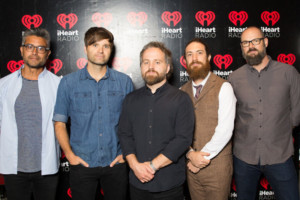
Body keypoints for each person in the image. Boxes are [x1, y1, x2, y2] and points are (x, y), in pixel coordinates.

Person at [53, 27, 133, 200]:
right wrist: (70, 155)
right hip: (82, 165)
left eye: (106, 46)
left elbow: (133, 123)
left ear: (111, 50)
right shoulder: (68, 83)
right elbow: (59, 123)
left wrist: (126, 154)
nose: (101, 50)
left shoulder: (124, 82)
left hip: (116, 164)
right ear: (85, 48)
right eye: (95, 45)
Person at [228, 26, 300, 200]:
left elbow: (296, 114)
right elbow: (231, 118)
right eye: (245, 43)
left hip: (280, 156)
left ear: (265, 42)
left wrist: (276, 132)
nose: (251, 46)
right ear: (241, 47)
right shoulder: (233, 78)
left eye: (255, 41)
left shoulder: (288, 73)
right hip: (244, 158)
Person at [118, 41, 195, 200]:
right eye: (146, 62)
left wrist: (151, 167)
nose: (150, 66)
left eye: (157, 62)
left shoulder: (181, 99)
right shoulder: (130, 100)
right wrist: (135, 166)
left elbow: (182, 139)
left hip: (169, 185)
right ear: (140, 67)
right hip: (137, 184)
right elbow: (124, 135)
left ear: (167, 68)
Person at [0, 28, 60, 200]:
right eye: (29, 46)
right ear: (21, 50)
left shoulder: (59, 85)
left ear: (48, 54)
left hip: (47, 168)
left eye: (40, 48)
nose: (34, 52)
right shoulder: (3, 86)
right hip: (14, 169)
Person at [181, 38, 236, 200]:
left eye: (199, 53)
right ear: (185, 61)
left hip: (216, 168)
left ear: (209, 58)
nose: (195, 58)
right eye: (190, 55)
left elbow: (225, 130)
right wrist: (190, 154)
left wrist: (199, 159)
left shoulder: (224, 87)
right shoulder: (181, 91)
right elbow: (178, 130)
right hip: (190, 168)